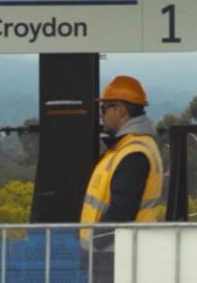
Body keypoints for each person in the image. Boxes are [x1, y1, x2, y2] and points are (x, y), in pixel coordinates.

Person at [79, 75, 164, 282]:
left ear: (120, 110)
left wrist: (96, 241)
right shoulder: (128, 147)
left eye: (105, 108)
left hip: (115, 255)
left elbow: (123, 209)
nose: (102, 115)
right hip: (113, 252)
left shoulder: (133, 153)